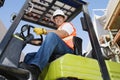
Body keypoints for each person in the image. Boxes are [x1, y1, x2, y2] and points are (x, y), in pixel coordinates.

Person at [19, 9, 76, 80]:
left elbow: (63, 33)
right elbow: (43, 43)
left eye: (60, 17)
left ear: (63, 18)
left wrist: (44, 31)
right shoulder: (57, 31)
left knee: (51, 35)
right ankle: (26, 74)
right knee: (29, 55)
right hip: (58, 50)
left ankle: (35, 69)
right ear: (54, 20)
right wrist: (28, 40)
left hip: (68, 50)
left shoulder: (67, 25)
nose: (58, 19)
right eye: (56, 18)